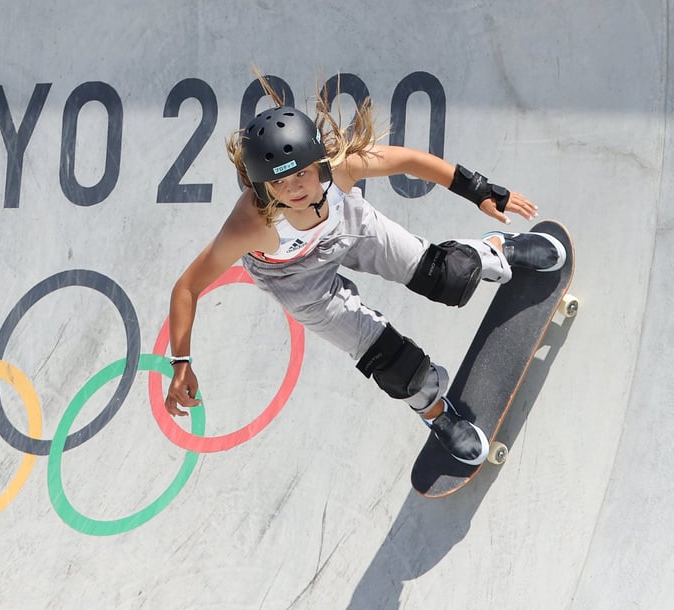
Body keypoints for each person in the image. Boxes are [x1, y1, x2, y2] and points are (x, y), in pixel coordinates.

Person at [163, 83, 565, 465]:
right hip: (297, 282)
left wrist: (479, 189)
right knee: (392, 363)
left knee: (448, 277)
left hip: (349, 225)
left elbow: (411, 161)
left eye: (301, 173)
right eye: (280, 183)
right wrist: (181, 362)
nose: (296, 189)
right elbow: (188, 286)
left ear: (319, 163)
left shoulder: (341, 168)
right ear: (264, 189)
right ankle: (436, 411)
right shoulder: (250, 227)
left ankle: (496, 252)